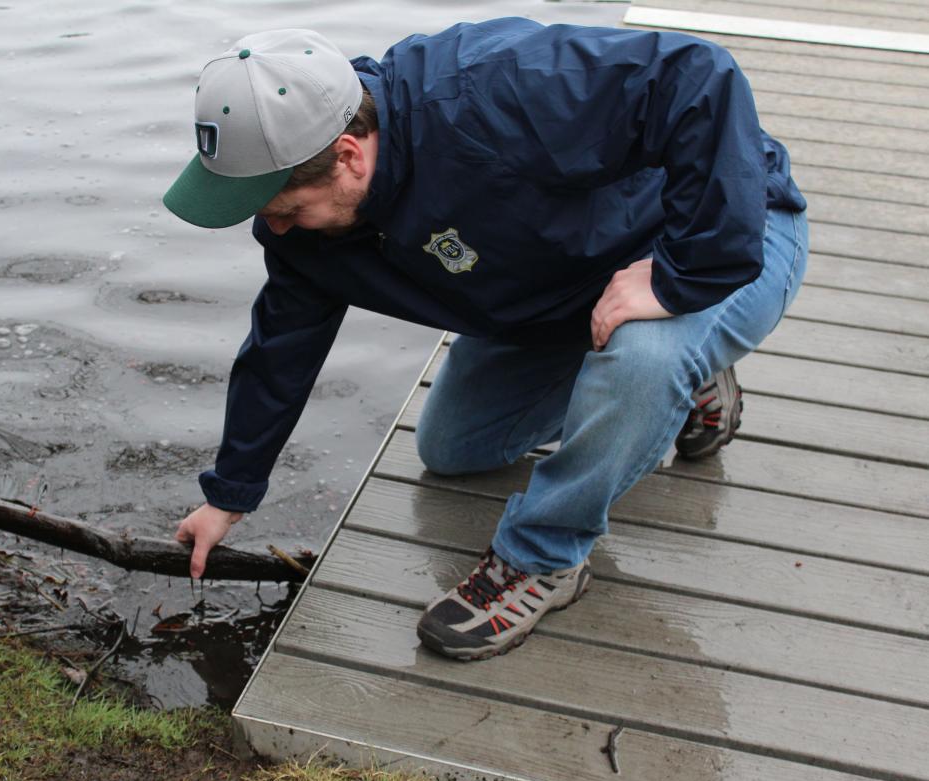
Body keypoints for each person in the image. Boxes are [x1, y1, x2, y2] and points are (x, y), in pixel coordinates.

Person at [161, 20, 808, 660]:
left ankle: (543, 559)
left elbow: (697, 74)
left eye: (280, 205)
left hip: (717, 236)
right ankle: (691, 382)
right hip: (568, 293)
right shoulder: (306, 233)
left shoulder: (492, 90)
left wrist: (683, 276)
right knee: (454, 447)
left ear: (349, 156)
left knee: (646, 358)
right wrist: (230, 495)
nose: (271, 225)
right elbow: (280, 351)